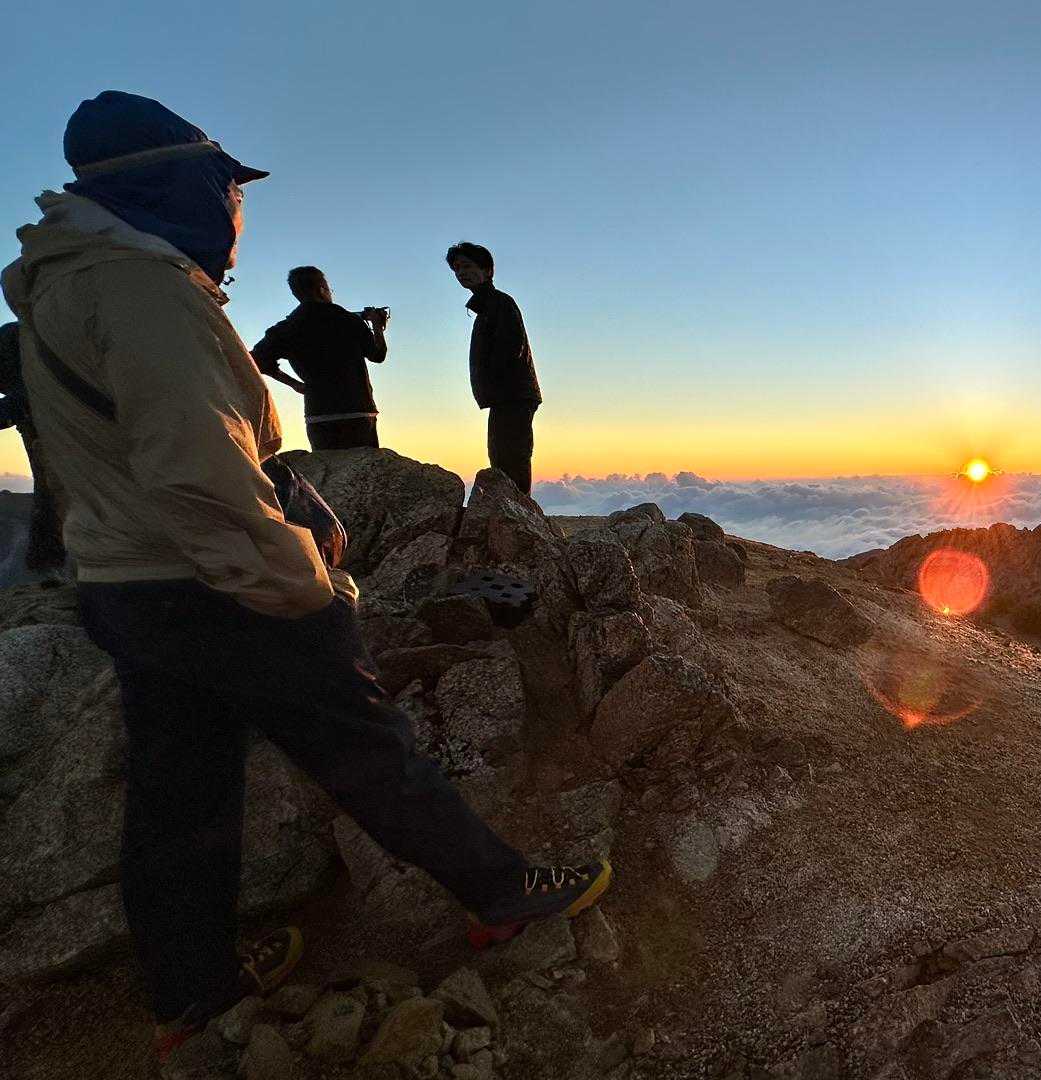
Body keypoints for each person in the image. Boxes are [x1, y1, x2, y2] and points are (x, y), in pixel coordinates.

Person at [2, 91, 611, 1060]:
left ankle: (191, 991)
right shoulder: (144, 293)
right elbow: (200, 478)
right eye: (229, 190)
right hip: (214, 581)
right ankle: (499, 892)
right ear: (177, 185)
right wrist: (312, 593)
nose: (238, 212)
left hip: (127, 583)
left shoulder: (60, 286)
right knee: (366, 743)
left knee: (179, 792)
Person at [251, 266, 390, 450]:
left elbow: (256, 360)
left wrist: (295, 384)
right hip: (357, 412)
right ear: (321, 289)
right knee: (363, 466)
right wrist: (377, 327)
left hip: (319, 415)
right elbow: (378, 355)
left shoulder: (287, 328)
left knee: (328, 466)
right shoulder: (349, 321)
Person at [447, 242, 541, 493]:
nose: (461, 273)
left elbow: (511, 348)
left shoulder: (500, 303)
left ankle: (519, 511)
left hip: (512, 395)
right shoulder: (487, 307)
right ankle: (513, 509)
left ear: (487, 270)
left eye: (467, 266)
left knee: (511, 458)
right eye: (457, 269)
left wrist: (494, 383)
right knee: (502, 457)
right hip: (506, 396)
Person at [0, 321, 69, 573]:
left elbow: (22, 400)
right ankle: (48, 569)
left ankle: (50, 569)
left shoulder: (16, 347)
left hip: (62, 445)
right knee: (48, 500)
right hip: (48, 438)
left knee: (53, 500)